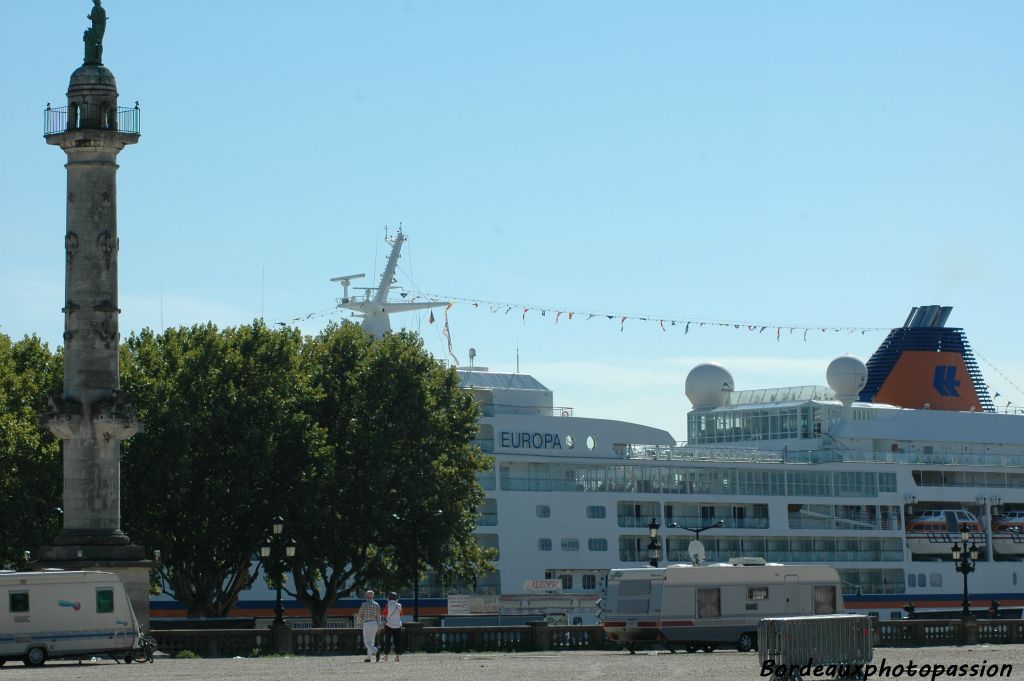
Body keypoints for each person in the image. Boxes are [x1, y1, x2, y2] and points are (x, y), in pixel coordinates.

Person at [354, 589, 382, 662]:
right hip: (375, 623)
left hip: (367, 623)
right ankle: (369, 657)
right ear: (373, 596)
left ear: (366, 596)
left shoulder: (364, 604)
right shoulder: (377, 604)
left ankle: (376, 651)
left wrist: (358, 623)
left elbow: (360, 615)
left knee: (366, 642)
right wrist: (379, 626)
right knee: (371, 641)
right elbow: (379, 617)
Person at [381, 592, 403, 661]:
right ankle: (397, 656)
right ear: (396, 598)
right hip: (398, 625)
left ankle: (386, 656)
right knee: (397, 640)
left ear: (389, 598)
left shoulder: (388, 605)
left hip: (389, 625)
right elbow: (401, 614)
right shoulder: (399, 605)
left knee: (387, 640)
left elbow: (384, 614)